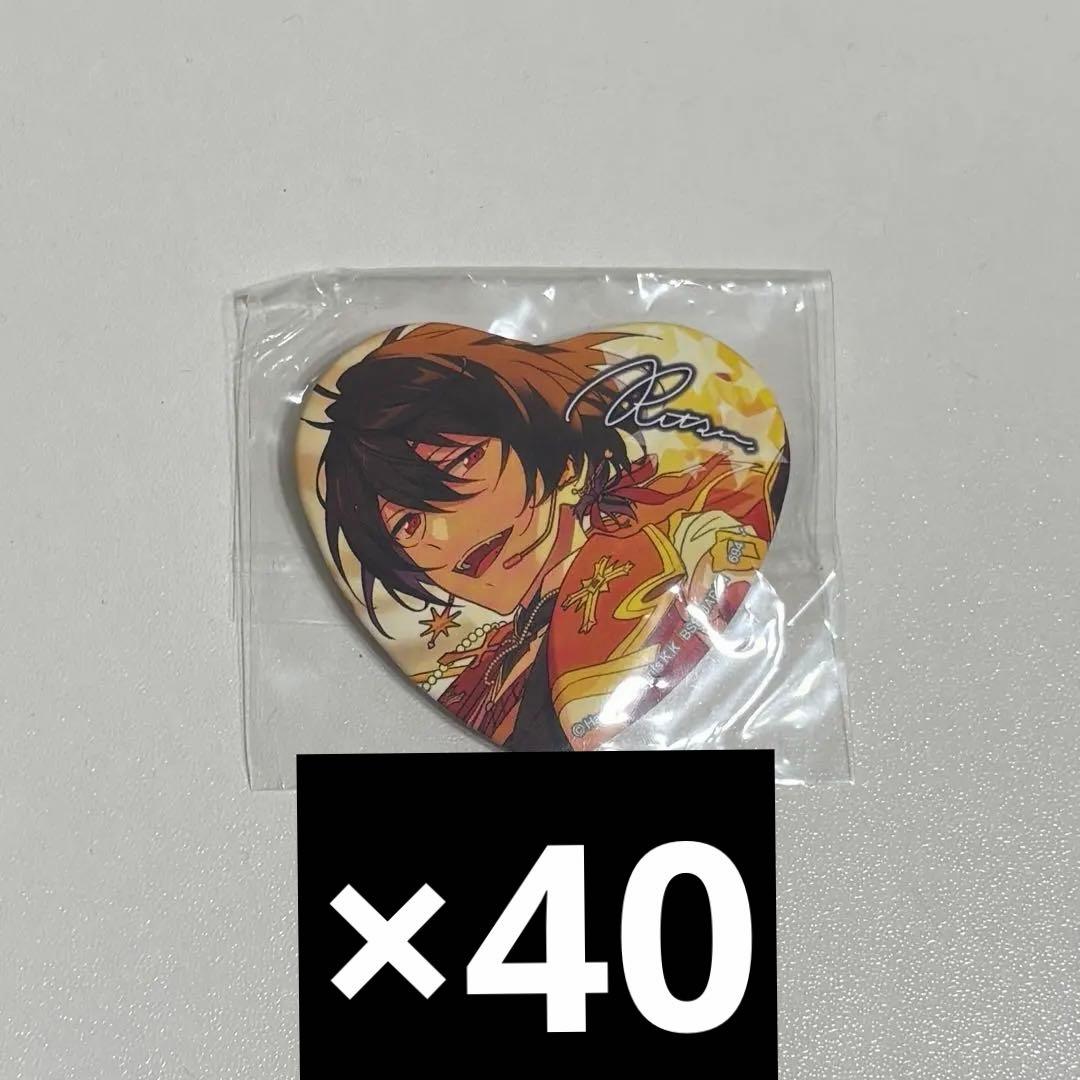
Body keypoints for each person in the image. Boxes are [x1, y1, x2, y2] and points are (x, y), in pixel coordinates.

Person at [307, 322, 786, 750]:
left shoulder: (661, 550)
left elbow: (715, 533)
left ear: (559, 455)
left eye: (462, 463)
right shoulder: (481, 677)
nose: (447, 532)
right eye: (407, 525)